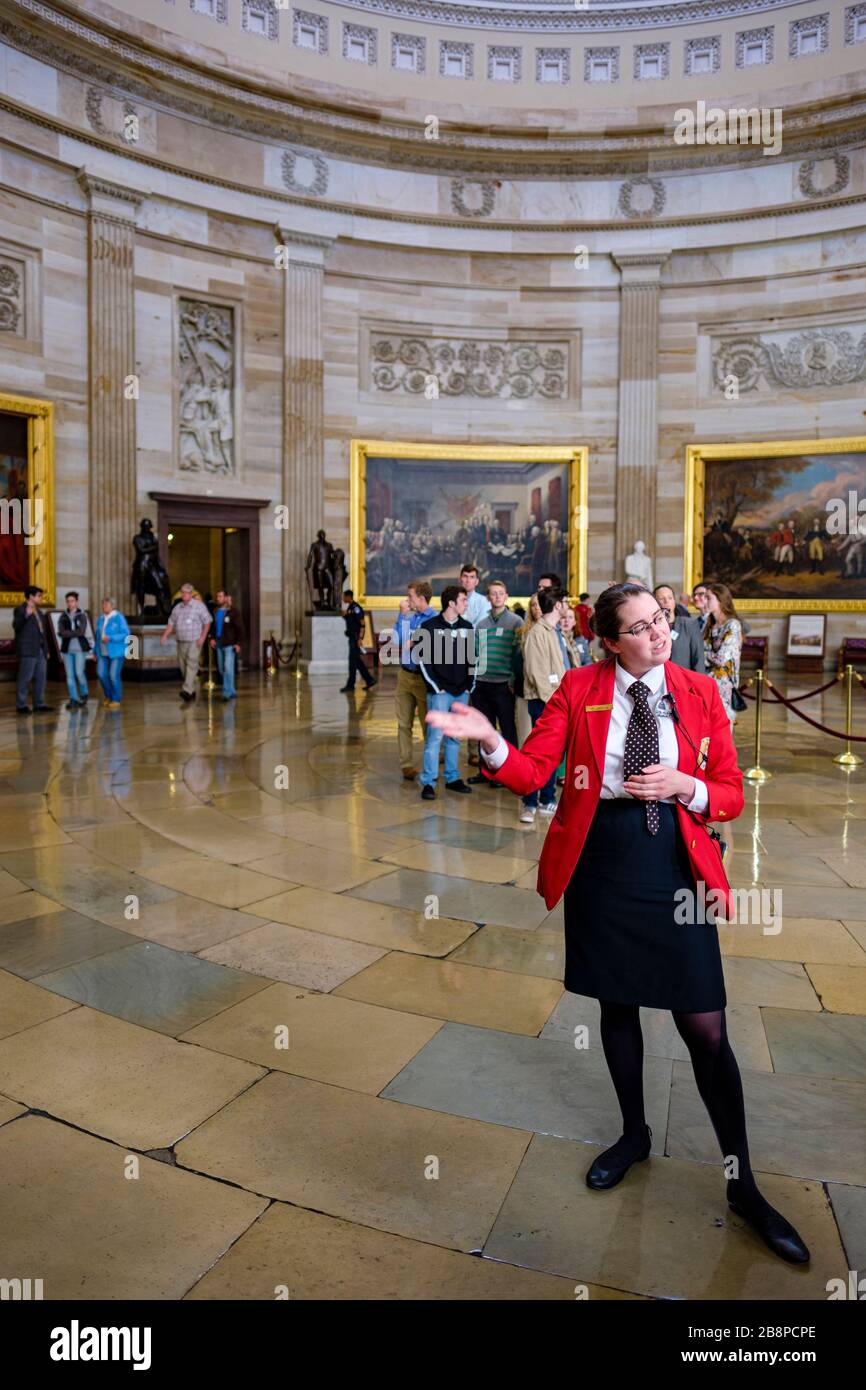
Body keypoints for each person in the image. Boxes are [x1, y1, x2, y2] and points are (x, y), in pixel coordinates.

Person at [425, 583, 809, 1266]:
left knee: (706, 1026)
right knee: (617, 1003)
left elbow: (728, 793)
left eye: (660, 621)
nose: (659, 634)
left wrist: (683, 787)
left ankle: (742, 1182)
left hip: (672, 862)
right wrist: (490, 743)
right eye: (639, 628)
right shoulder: (579, 687)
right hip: (603, 863)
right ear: (608, 640)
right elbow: (535, 770)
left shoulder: (697, 691)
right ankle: (633, 1132)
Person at [415, 584, 474, 800]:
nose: (466, 604)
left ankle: (452, 778)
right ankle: (428, 783)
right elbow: (422, 661)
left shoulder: (467, 627)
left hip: (461, 693)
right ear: (452, 603)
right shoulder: (428, 626)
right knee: (434, 738)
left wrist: (469, 686)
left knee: (455, 738)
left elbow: (473, 660)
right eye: (463, 600)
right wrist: (436, 687)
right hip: (439, 693)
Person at [518, 585, 570, 825]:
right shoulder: (538, 632)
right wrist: (556, 703)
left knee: (553, 755)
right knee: (538, 754)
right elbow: (536, 674)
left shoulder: (555, 631)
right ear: (557, 605)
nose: (567, 606)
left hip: (556, 702)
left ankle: (546, 797)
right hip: (545, 703)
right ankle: (529, 802)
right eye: (565, 602)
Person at [469, 579, 522, 788]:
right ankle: (485, 772)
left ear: (506, 596)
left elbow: (517, 656)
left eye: (501, 593)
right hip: (482, 685)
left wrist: (511, 680)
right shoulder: (481, 625)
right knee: (484, 731)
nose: (497, 596)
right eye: (493, 593)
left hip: (503, 685)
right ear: (488, 597)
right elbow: (475, 655)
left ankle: (508, 773)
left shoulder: (516, 622)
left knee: (508, 731)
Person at [394, 580, 436, 779]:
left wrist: (412, 641)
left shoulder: (434, 618)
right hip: (404, 675)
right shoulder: (408, 617)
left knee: (427, 725)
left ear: (421, 598)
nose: (406, 599)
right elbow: (397, 641)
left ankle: (430, 766)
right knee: (403, 723)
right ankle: (406, 764)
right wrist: (402, 616)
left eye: (410, 596)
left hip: (423, 678)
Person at [160, 582, 212, 702]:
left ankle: (187, 690)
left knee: (192, 663)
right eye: (182, 592)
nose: (183, 594)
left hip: (194, 640)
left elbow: (207, 622)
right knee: (183, 667)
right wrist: (164, 636)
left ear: (191, 594)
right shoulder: (178, 608)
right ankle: (191, 689)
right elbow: (171, 623)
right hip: (181, 641)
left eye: (185, 593)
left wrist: (203, 637)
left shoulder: (199, 606)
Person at [703, 582, 743, 725]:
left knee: (723, 734)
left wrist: (703, 655)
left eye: (708, 598)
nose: (704, 601)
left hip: (725, 688)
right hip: (707, 685)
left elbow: (720, 658)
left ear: (720, 600)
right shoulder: (710, 625)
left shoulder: (732, 625)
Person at [13, 584, 52, 714]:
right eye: (39, 596)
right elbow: (16, 626)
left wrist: (46, 650)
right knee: (25, 678)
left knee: (41, 677)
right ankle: (21, 705)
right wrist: (26, 615)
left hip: (40, 650)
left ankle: (39, 704)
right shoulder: (20, 609)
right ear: (31, 596)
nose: (41, 598)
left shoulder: (40, 612)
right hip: (28, 650)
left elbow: (43, 633)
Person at [654, 585, 704, 672]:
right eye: (662, 598)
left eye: (670, 598)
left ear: (674, 601)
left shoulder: (690, 624)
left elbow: (698, 658)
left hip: (684, 680)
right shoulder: (653, 627)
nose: (667, 601)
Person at [58, 590, 91, 709]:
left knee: (79, 672)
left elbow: (81, 631)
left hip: (80, 649)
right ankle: (74, 698)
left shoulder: (82, 615)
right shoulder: (63, 616)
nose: (70, 603)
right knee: (70, 675)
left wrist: (68, 633)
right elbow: (61, 632)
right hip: (67, 650)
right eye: (68, 601)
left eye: (72, 601)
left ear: (76, 601)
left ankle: (84, 693)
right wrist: (72, 633)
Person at [209, 590, 244, 701]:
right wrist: (213, 638)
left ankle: (226, 693)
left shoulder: (234, 612)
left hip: (230, 644)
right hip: (219, 643)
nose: (218, 598)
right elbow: (213, 627)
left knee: (228, 668)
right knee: (221, 668)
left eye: (220, 596)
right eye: (217, 596)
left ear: (225, 598)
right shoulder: (215, 611)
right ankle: (232, 690)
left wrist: (238, 643)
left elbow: (240, 629)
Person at [95, 597, 130, 709]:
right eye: (103, 604)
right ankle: (108, 696)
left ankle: (116, 698)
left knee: (113, 675)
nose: (104, 606)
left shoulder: (118, 618)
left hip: (116, 652)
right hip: (102, 652)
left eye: (106, 604)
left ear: (112, 606)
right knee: (101, 674)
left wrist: (111, 638)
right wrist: (95, 651)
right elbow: (97, 637)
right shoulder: (100, 619)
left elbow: (126, 633)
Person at [340, 588, 376, 692]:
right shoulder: (351, 608)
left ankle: (351, 684)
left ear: (348, 597)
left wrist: (360, 638)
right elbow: (351, 621)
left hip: (355, 638)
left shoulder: (356, 608)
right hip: (352, 637)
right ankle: (369, 680)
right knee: (357, 661)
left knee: (353, 662)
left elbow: (362, 624)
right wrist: (345, 616)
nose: (343, 598)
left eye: (344, 596)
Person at [459, 564, 491, 628]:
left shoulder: (485, 601)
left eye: (472, 577)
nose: (468, 580)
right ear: (460, 580)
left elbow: (481, 627)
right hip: (456, 637)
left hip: (479, 637)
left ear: (476, 581)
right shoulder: (452, 600)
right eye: (465, 576)